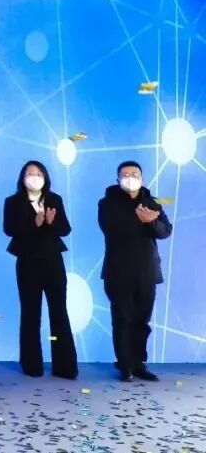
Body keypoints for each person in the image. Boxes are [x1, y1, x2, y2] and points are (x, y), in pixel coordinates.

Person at [3, 160, 78, 379]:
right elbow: (8, 229)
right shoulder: (13, 202)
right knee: (30, 312)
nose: (34, 177)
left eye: (38, 174)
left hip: (53, 262)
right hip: (27, 263)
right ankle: (31, 364)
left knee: (58, 312)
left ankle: (64, 366)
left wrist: (51, 222)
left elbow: (65, 229)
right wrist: (33, 223)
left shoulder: (55, 200)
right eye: (30, 173)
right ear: (23, 178)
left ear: (45, 177)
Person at [98, 160, 172, 382]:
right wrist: (138, 218)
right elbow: (109, 228)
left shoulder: (153, 202)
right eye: (125, 174)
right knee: (123, 319)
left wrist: (151, 222)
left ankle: (139, 364)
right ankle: (125, 365)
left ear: (142, 178)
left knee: (142, 320)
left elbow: (165, 231)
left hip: (147, 271)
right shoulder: (107, 203)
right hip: (118, 271)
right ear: (118, 179)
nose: (130, 178)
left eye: (135, 174)